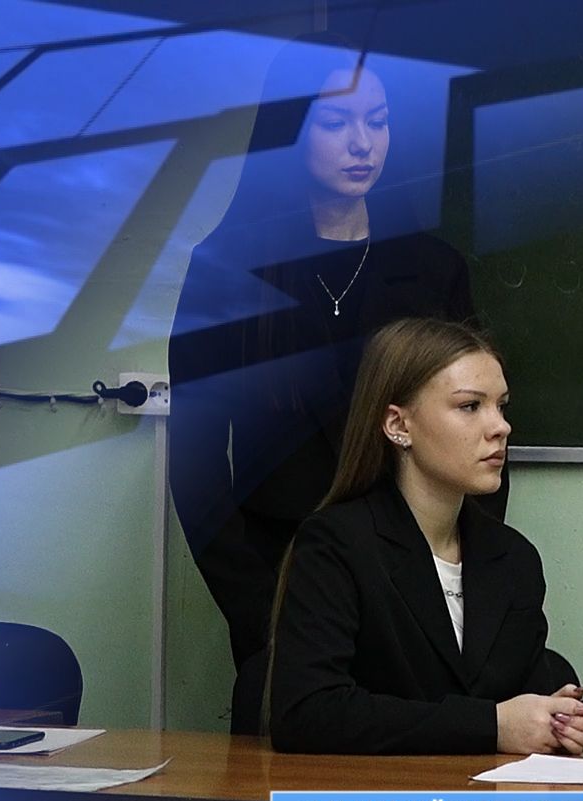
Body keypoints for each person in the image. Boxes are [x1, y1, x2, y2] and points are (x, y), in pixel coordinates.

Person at [169, 34, 491, 734]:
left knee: (423, 783)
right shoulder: (226, 271)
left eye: (377, 122)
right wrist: (264, 614)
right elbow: (196, 471)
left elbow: (478, 433)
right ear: (290, 129)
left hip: (418, 600)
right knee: (293, 791)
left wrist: (464, 594)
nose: (361, 144)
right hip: (284, 593)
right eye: (336, 122)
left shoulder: (432, 270)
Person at [264, 318, 583, 755]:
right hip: (374, 796)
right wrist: (492, 726)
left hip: (484, 795)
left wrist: (554, 720)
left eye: (501, 406)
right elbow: (307, 713)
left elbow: (520, 699)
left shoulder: (513, 558)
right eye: (470, 406)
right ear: (398, 425)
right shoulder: (336, 545)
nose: (500, 427)